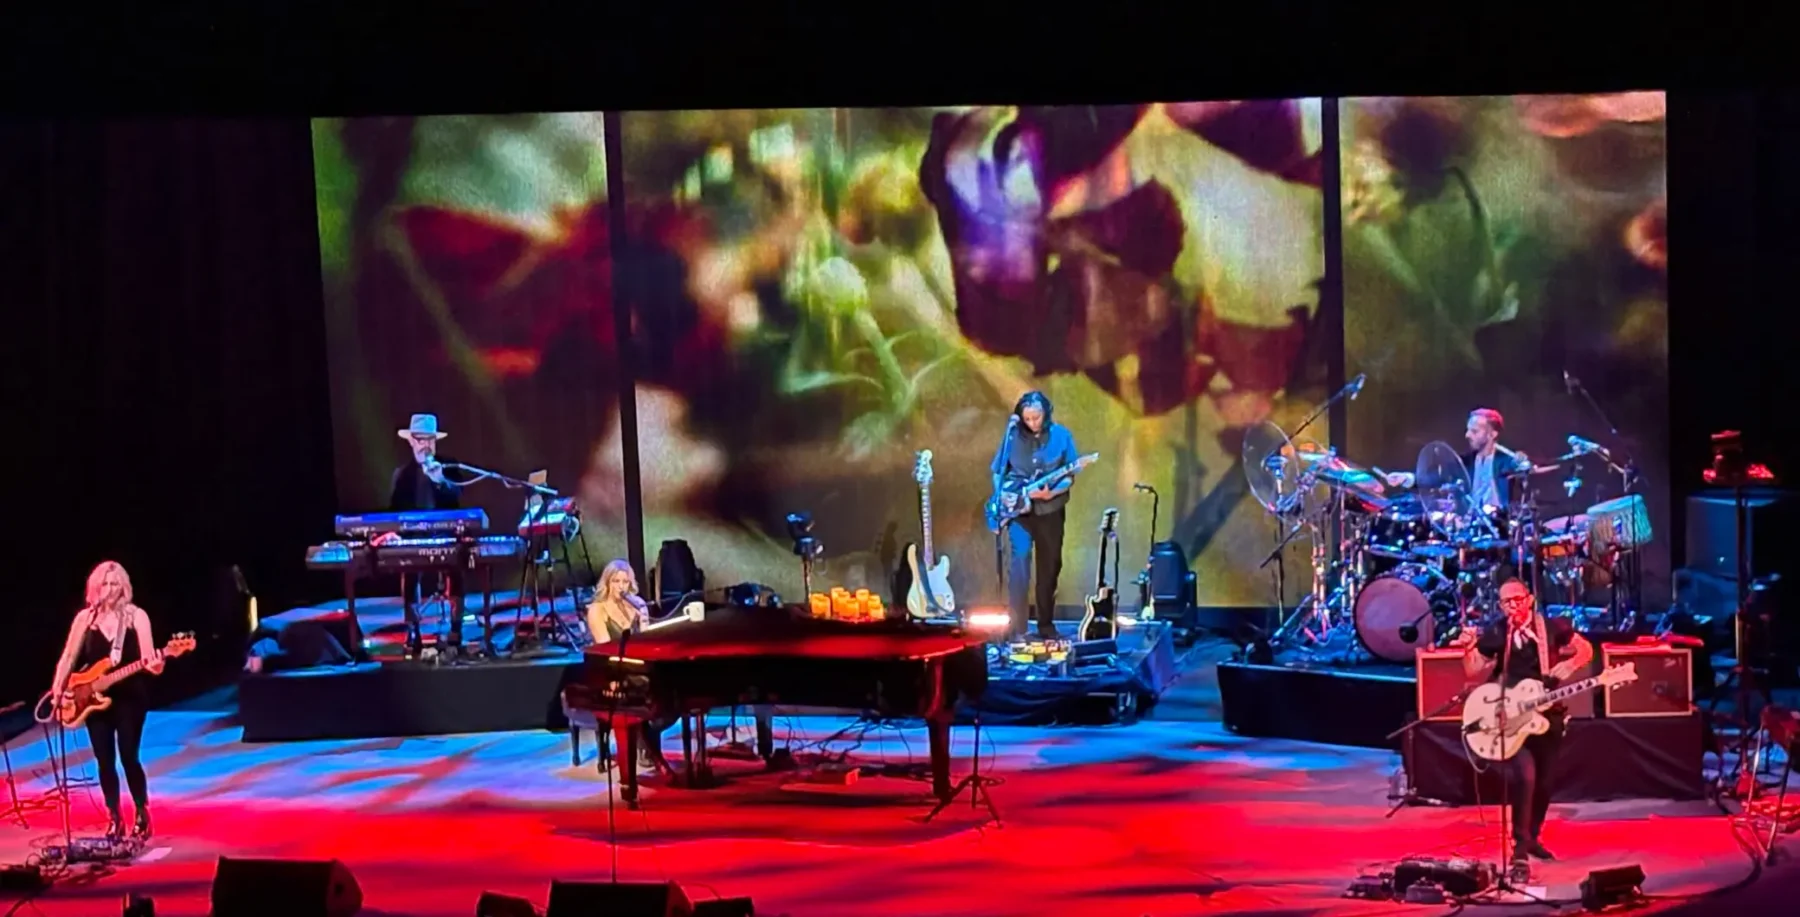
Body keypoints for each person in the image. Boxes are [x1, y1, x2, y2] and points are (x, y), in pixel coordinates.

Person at [1453, 578, 1593, 867]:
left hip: (1547, 714)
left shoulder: (1552, 627)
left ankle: (1532, 838)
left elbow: (1586, 649)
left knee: (1545, 781)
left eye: (1517, 599)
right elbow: (1473, 670)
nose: (1512, 606)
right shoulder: (1498, 632)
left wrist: (1569, 665)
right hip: (1510, 715)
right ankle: (1519, 842)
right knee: (1525, 777)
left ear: (1529, 600)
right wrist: (1467, 649)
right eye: (1506, 602)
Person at [49, 561, 165, 841]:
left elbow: (150, 659)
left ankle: (142, 812)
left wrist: (157, 664)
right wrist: (58, 689)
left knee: (128, 756)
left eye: (115, 584)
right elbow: (68, 657)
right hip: (93, 698)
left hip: (130, 697)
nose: (110, 590)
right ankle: (114, 816)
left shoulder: (136, 617)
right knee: (104, 760)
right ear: (94, 588)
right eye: (104, 584)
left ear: (123, 587)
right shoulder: (85, 619)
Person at [991, 391, 1080, 639]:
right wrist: (1002, 496)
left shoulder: (1062, 436)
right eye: (1027, 418)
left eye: (1036, 417)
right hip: (1019, 513)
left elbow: (1069, 477)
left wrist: (1050, 493)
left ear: (1046, 414)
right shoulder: (1012, 436)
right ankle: (1017, 627)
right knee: (1019, 562)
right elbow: (998, 471)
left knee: (1049, 567)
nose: (1032, 423)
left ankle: (1045, 625)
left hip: (1050, 511)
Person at [385, 413, 464, 654]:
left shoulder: (448, 466)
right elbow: (394, 513)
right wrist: (394, 534)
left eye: (429, 439)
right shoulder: (402, 475)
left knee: (457, 562)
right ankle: (413, 629)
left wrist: (440, 481)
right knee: (408, 571)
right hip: (414, 537)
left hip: (445, 534)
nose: (425, 445)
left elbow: (457, 496)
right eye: (420, 439)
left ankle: (456, 627)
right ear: (411, 441)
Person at [585, 559, 673, 775]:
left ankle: (648, 741)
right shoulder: (597, 609)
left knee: (665, 688)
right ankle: (648, 749)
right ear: (607, 583)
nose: (621, 587)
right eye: (616, 581)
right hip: (611, 669)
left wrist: (644, 620)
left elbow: (647, 640)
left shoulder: (637, 604)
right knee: (642, 689)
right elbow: (605, 648)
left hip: (636, 666)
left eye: (625, 582)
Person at [1384, 408, 1531, 511]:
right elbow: (1436, 477)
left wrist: (1522, 463)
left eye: (1474, 431)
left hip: (1501, 528)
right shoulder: (1465, 462)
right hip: (1471, 526)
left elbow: (1523, 469)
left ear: (1492, 434)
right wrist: (1407, 478)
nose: (1467, 435)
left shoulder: (1506, 461)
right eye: (1468, 430)